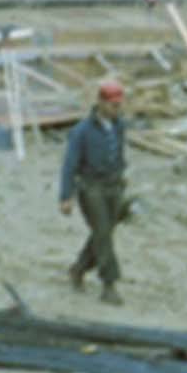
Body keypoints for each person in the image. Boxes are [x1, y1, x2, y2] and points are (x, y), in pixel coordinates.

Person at [57, 78, 135, 304]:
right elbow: (69, 165)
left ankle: (78, 268)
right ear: (100, 102)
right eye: (113, 105)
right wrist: (66, 197)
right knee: (102, 233)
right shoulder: (81, 132)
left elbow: (119, 152)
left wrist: (122, 174)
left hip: (114, 186)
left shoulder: (119, 126)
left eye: (119, 105)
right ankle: (109, 284)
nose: (117, 109)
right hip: (91, 187)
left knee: (104, 234)